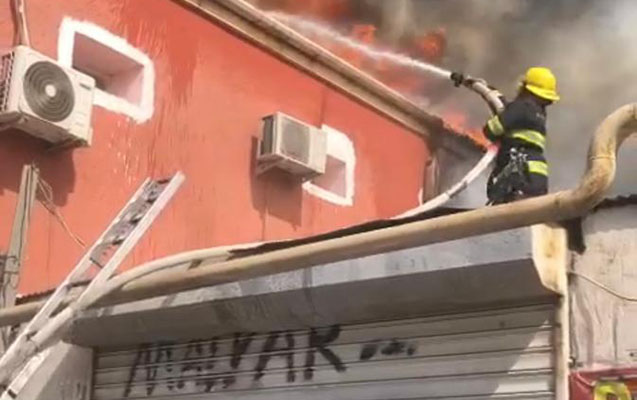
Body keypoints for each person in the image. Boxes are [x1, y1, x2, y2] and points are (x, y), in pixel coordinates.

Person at [483, 67, 559, 205]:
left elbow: (491, 130)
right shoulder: (539, 114)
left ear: (525, 87)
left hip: (517, 178)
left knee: (501, 214)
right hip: (537, 179)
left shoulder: (521, 107)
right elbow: (515, 116)